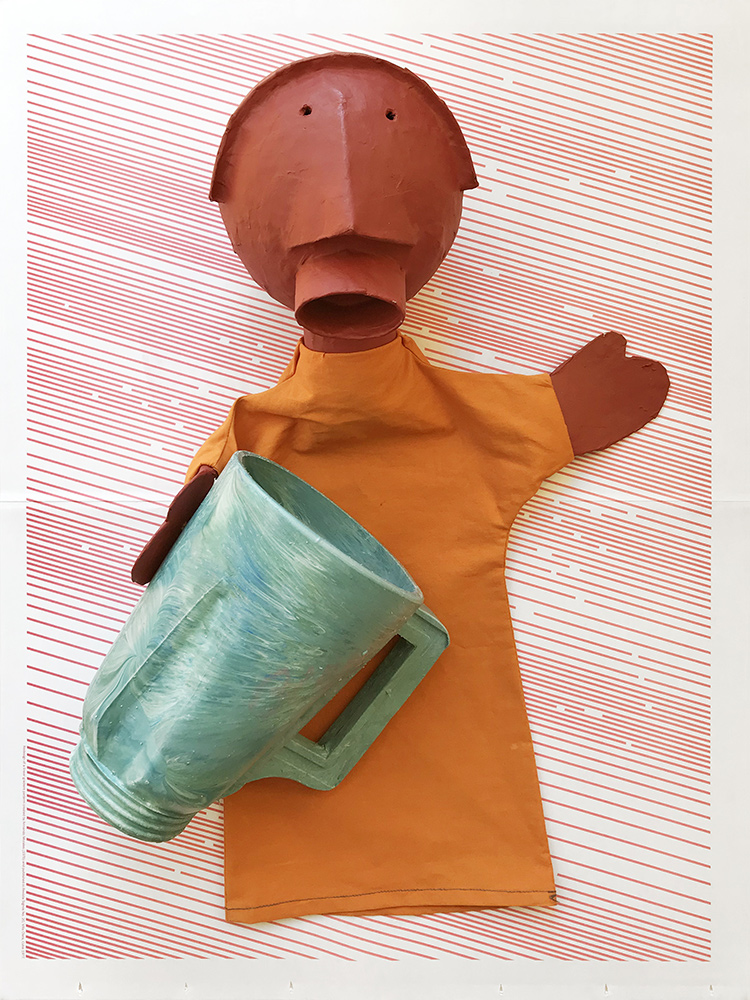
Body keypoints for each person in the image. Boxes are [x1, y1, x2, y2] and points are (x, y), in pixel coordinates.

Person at [132, 51, 669, 924]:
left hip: (361, 801)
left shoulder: (261, 437)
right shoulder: (277, 434)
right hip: (421, 814)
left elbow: (167, 567)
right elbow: (171, 569)